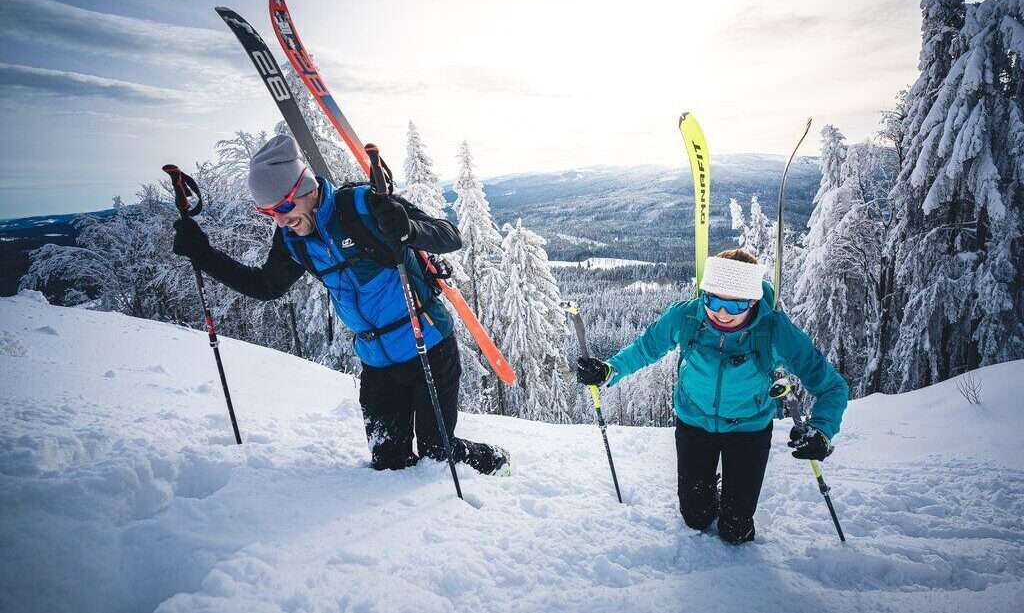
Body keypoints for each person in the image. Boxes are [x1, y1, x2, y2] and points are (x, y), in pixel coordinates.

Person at [172, 134, 510, 475]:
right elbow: (266, 286)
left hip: (429, 345)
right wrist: (204, 256)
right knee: (388, 463)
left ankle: (496, 462)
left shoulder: (362, 206)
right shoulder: (293, 240)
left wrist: (406, 229)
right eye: (268, 212)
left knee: (437, 453)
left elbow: (449, 234)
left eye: (284, 207)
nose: (280, 220)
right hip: (377, 362)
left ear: (305, 189)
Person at [576, 249, 848, 543]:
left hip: (748, 430)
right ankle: (711, 494)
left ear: (753, 301)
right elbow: (646, 348)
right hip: (694, 424)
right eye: (713, 301)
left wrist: (822, 430)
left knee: (736, 530)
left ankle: (734, 506)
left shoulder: (774, 330)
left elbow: (832, 387)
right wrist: (609, 370)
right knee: (696, 517)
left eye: (735, 306)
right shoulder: (687, 316)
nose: (720, 313)